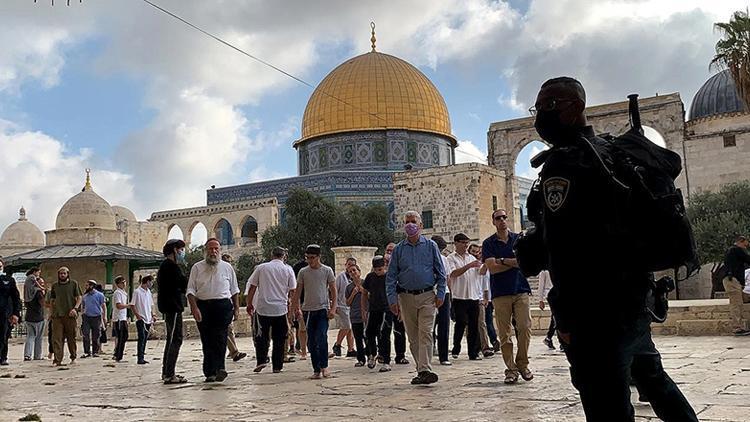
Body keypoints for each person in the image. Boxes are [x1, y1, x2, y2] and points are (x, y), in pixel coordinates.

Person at [529, 76, 697, 420]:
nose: (539, 117)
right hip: (633, 301)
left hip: (594, 314)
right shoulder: (613, 154)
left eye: (547, 107)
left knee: (607, 402)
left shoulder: (566, 165)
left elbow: (562, 251)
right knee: (654, 382)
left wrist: (565, 315)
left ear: (575, 107)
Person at [386, 211, 447, 385]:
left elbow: (440, 272)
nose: (410, 224)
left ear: (420, 225)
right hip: (406, 297)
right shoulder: (398, 249)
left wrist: (441, 293)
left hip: (427, 295)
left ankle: (425, 369)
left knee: (425, 333)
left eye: (413, 221)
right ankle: (422, 370)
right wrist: (392, 299)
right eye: (407, 222)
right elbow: (391, 277)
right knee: (413, 337)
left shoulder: (430, 246)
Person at [482, 208, 533, 384]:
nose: (502, 220)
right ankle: (511, 369)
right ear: (493, 221)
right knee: (505, 334)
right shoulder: (488, 243)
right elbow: (491, 268)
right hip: (500, 292)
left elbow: (523, 262)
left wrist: (502, 260)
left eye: (504, 217)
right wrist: (512, 263)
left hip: (520, 289)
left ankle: (522, 364)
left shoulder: (519, 239)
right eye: (498, 218)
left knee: (525, 327)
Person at [188, 238, 240, 382]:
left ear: (220, 250)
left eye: (216, 248)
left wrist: (236, 308)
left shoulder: (227, 267)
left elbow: (234, 290)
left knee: (221, 338)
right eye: (211, 249)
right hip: (204, 306)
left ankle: (220, 369)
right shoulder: (197, 268)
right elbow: (191, 290)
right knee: (207, 339)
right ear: (205, 250)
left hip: (222, 306)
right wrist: (194, 308)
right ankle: (209, 371)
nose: (213, 251)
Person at [245, 246, 296, 374]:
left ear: (271, 255)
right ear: (284, 256)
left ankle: (261, 360)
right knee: (279, 338)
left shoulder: (262, 268)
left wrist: (249, 303)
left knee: (261, 336)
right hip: (280, 308)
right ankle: (277, 366)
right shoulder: (288, 270)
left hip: (263, 308)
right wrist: (294, 308)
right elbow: (293, 291)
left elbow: (252, 287)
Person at [292, 244, 336, 379]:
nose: (310, 260)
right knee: (311, 341)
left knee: (322, 337)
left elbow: (334, 291)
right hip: (308, 311)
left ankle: (325, 366)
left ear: (318, 257)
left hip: (322, 309)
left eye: (312, 258)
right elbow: (297, 292)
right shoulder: (303, 272)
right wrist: (296, 308)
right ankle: (316, 368)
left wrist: (333, 308)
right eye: (308, 258)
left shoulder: (327, 271)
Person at [157, 239, 190, 383]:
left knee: (172, 339)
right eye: (181, 249)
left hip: (170, 307)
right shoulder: (171, 267)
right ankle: (169, 374)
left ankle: (167, 372)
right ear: (175, 250)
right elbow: (183, 284)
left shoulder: (166, 266)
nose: (183, 252)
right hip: (173, 307)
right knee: (175, 339)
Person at [447, 233, 483, 361]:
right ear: (456, 243)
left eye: (466, 242)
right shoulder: (451, 258)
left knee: (474, 325)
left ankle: (473, 352)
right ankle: (456, 347)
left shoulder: (472, 258)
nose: (465, 245)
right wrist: (469, 266)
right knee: (461, 322)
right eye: (463, 242)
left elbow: (480, 273)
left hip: (473, 296)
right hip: (459, 296)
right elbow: (453, 273)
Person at [362, 256, 396, 373]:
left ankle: (386, 360)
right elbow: (364, 293)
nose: (378, 272)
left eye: (380, 269)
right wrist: (364, 309)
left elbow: (396, 293)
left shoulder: (390, 277)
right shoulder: (370, 277)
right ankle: (371, 354)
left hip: (387, 309)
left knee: (384, 334)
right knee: (369, 333)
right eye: (376, 269)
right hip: (373, 309)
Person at [48, 266, 82, 366]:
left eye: (64, 273)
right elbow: (52, 300)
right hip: (57, 315)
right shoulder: (55, 286)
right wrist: (51, 313)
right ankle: (57, 359)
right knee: (57, 338)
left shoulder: (73, 284)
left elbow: (79, 297)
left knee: (71, 337)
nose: (62, 275)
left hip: (70, 315)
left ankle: (73, 356)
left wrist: (75, 308)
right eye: (60, 273)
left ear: (68, 274)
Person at [221, 253, 247, 362]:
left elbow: (234, 290)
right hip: (221, 305)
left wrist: (236, 308)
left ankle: (232, 351)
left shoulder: (229, 271)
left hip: (228, 306)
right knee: (224, 330)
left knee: (229, 329)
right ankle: (234, 352)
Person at [430, 235, 452, 366]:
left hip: (444, 293)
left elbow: (447, 278)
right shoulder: (426, 259)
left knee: (444, 324)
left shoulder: (444, 260)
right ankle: (428, 353)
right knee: (428, 325)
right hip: (429, 293)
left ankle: (443, 356)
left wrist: (450, 293)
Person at [469, 244, 494, 358]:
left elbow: (485, 281)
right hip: (467, 297)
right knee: (470, 325)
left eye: (477, 252)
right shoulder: (466, 264)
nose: (475, 254)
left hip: (479, 298)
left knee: (482, 323)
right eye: (473, 251)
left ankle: (485, 347)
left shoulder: (482, 266)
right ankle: (474, 347)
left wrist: (485, 297)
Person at [722, 236, 750, 335]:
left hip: (732, 280)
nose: (746, 247)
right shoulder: (736, 250)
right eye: (745, 244)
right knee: (736, 304)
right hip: (732, 281)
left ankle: (738, 326)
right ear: (741, 242)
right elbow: (748, 259)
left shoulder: (732, 251)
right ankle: (737, 328)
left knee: (738, 303)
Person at [331, 257, 356, 358]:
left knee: (351, 328)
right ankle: (337, 344)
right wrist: (334, 304)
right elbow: (335, 291)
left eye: (352, 265)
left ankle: (351, 349)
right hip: (341, 304)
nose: (350, 267)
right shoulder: (341, 277)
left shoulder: (354, 277)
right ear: (346, 265)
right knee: (347, 326)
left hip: (351, 306)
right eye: (349, 264)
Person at [0, 259, 21, 366]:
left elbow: (15, 297)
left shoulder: (8, 280)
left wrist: (16, 314)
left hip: (4, 313)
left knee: (3, 336)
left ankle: (3, 357)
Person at [132, 275, 156, 365]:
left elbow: (151, 305)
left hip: (148, 318)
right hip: (141, 318)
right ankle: (140, 357)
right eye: (151, 282)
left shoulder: (148, 292)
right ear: (147, 281)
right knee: (141, 338)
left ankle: (142, 356)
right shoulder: (137, 292)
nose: (152, 284)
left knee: (145, 338)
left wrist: (153, 314)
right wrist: (137, 316)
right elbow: (132, 305)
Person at [345, 263, 366, 367]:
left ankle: (372, 355)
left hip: (366, 316)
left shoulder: (366, 283)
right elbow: (347, 303)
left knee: (367, 337)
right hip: (355, 316)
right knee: (358, 338)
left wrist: (363, 291)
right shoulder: (349, 287)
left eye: (354, 270)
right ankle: (361, 359)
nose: (353, 273)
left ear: (359, 271)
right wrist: (353, 294)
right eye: (350, 271)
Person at [23, 268, 46, 361]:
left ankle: (27, 355)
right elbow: (42, 303)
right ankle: (37, 355)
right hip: (38, 317)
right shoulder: (38, 292)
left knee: (30, 336)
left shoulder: (28, 293)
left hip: (29, 317)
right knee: (38, 338)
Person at [80, 280, 106, 358]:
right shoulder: (85, 296)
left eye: (87, 285)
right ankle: (87, 351)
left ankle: (95, 351)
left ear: (92, 286)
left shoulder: (100, 295)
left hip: (96, 317)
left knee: (96, 335)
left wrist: (104, 317)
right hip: (86, 317)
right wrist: (82, 314)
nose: (86, 287)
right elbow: (83, 306)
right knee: (86, 334)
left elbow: (103, 306)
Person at [111, 276, 130, 363]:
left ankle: (118, 353)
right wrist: (128, 305)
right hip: (118, 318)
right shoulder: (117, 293)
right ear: (118, 284)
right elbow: (118, 305)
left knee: (124, 336)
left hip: (123, 317)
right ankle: (118, 355)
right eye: (122, 282)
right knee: (122, 336)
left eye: (124, 282)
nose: (124, 284)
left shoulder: (124, 293)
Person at [537, 270, 557, 350]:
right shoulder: (544, 269)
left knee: (556, 316)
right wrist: (540, 300)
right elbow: (541, 284)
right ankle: (552, 338)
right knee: (556, 316)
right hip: (550, 293)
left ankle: (549, 337)